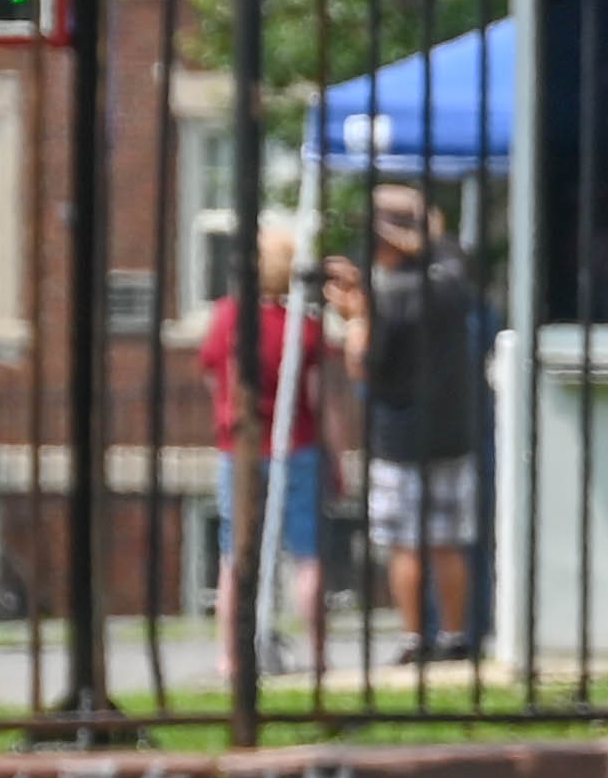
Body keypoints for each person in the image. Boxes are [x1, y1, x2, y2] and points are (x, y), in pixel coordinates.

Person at [333, 183, 484, 663]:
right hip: (452, 430)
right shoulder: (452, 276)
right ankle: (456, 637)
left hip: (399, 435)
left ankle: (414, 639)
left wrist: (354, 318)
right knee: (447, 542)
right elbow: (445, 245)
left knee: (405, 545)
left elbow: (366, 367)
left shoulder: (386, 296)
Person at [196, 220, 327, 668]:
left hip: (241, 450)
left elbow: (215, 376)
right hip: (298, 447)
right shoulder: (303, 327)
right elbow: (320, 398)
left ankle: (230, 655)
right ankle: (320, 655)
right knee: (307, 556)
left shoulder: (229, 317)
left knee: (235, 556)